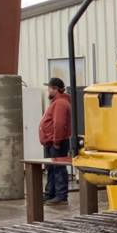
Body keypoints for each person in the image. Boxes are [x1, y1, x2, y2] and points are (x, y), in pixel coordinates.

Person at [38, 77, 72, 206]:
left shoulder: (60, 103)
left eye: (49, 89)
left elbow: (59, 124)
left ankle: (60, 196)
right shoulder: (57, 102)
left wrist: (56, 141)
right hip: (52, 142)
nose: (48, 92)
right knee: (51, 168)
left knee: (58, 168)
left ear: (55, 89)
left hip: (56, 142)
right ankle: (50, 194)